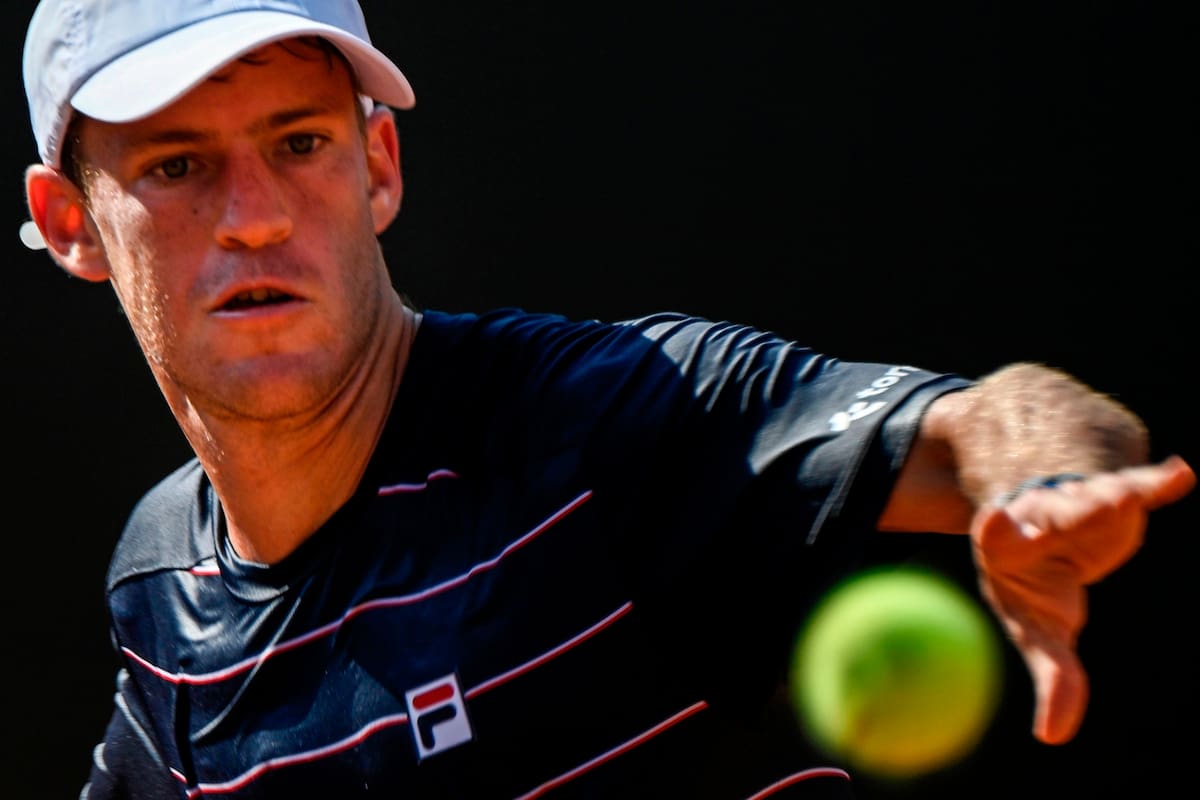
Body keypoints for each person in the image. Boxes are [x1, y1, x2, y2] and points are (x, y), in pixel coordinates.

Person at [19, 1, 1194, 798]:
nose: (258, 213)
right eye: (178, 166)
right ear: (72, 224)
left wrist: (1043, 481)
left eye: (301, 142)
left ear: (379, 166)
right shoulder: (164, 590)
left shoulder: (608, 421)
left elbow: (993, 416)